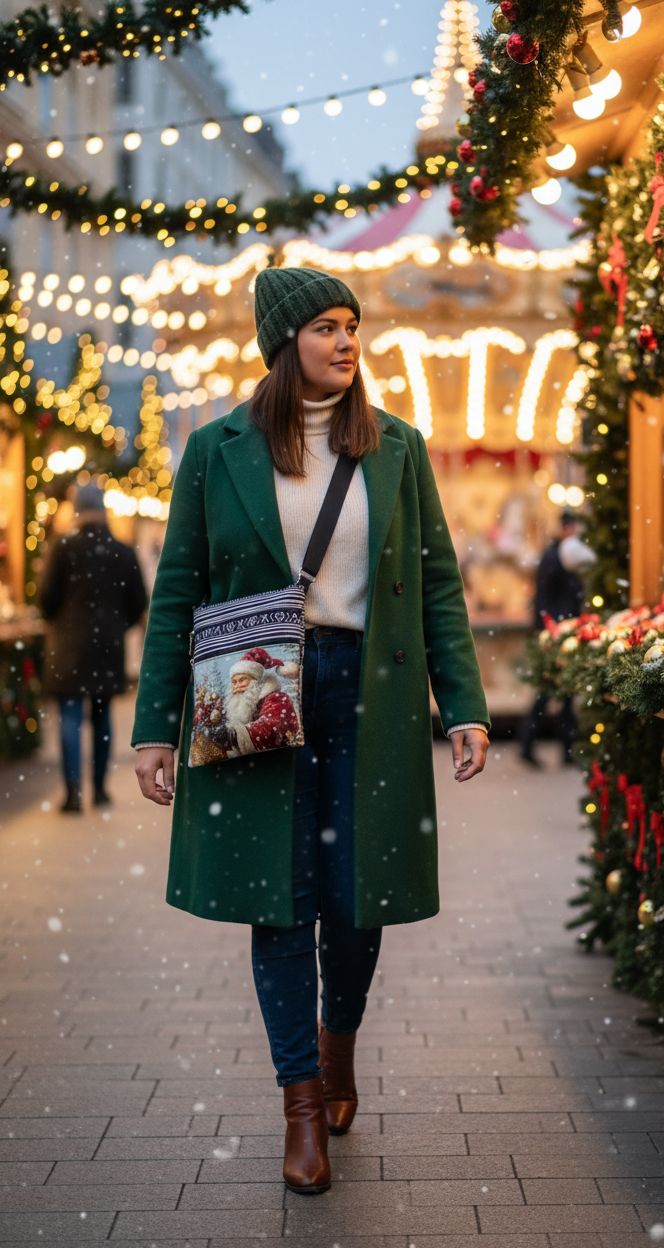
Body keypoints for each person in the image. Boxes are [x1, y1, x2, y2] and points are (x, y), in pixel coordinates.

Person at [131, 267, 490, 1196]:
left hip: (370, 689)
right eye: (326, 326)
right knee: (280, 897)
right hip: (255, 690)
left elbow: (437, 584)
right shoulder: (216, 450)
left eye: (351, 326)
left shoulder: (397, 446)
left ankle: (338, 1051)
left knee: (360, 896)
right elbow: (177, 593)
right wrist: (152, 728)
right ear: (284, 342)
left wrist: (463, 706)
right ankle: (301, 1104)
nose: (345, 341)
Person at [38, 483, 148, 813]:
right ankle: (99, 789)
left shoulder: (62, 548)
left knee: (70, 716)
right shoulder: (122, 551)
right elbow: (138, 602)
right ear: (103, 511)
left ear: (77, 511)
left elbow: (46, 600)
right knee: (102, 718)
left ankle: (72, 793)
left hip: (68, 647)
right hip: (107, 646)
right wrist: (115, 626)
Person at [518, 510, 596, 768]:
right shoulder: (555, 556)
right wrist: (551, 629)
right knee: (550, 691)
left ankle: (564, 749)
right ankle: (531, 744)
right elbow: (546, 598)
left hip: (562, 630)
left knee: (562, 693)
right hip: (557, 632)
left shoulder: (561, 554)